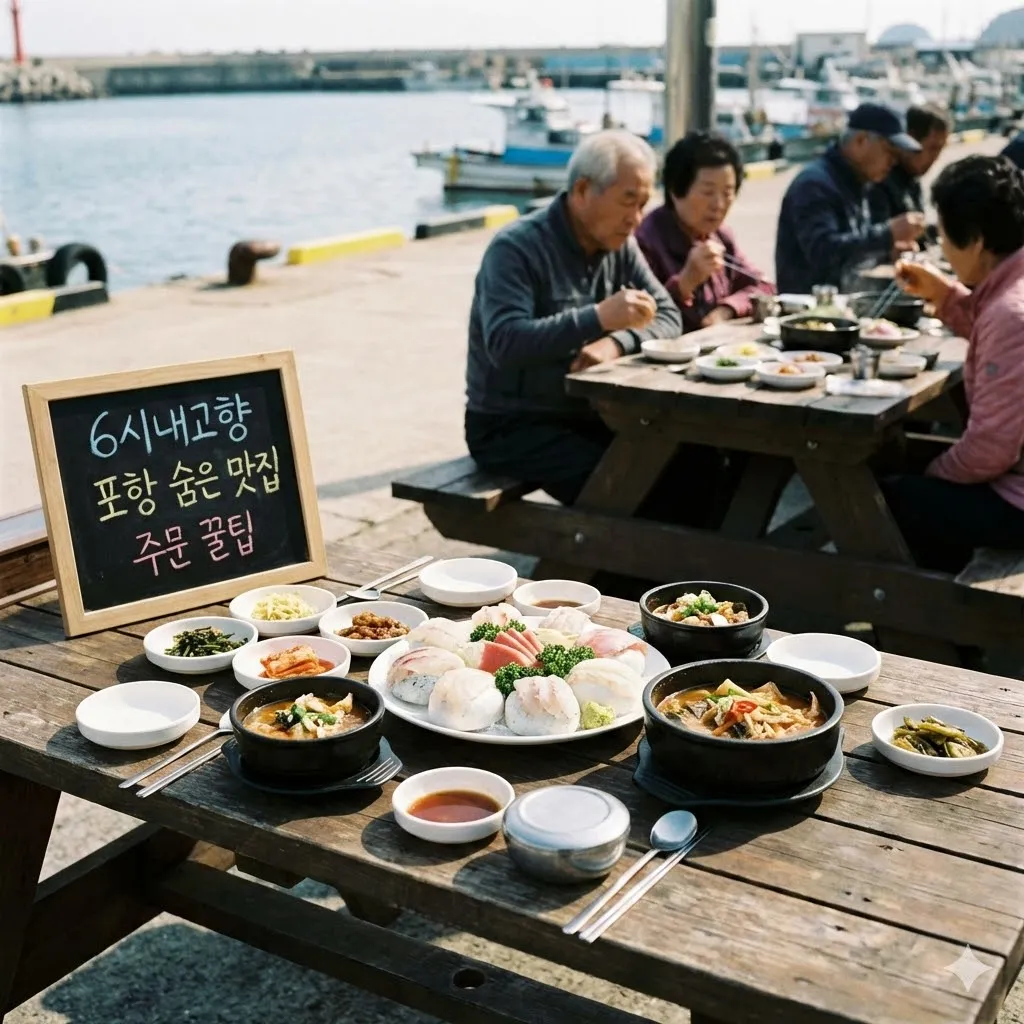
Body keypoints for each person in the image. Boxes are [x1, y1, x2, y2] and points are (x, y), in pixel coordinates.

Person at [464, 130, 683, 506]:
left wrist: (616, 342)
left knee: (691, 460)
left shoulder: (619, 245)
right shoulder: (515, 248)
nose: (636, 218)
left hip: (586, 412)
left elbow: (668, 315)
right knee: (628, 488)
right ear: (582, 191)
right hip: (510, 425)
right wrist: (598, 318)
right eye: (628, 201)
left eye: (644, 204)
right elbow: (504, 342)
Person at [882, 155, 1024, 574]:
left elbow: (989, 450)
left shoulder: (1009, 313)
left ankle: (936, 629)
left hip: (1017, 504)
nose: (941, 248)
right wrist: (945, 295)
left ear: (976, 241)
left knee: (886, 500)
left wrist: (933, 472)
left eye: (943, 236)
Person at [775, 103, 926, 294]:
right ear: (860, 141)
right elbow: (824, 253)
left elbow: (854, 248)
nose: (893, 162)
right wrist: (887, 235)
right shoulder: (815, 185)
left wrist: (889, 251)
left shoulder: (859, 181)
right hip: (811, 311)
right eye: (890, 152)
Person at [635, 131, 774, 332]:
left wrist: (726, 310)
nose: (718, 205)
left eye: (727, 193)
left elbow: (764, 286)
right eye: (707, 192)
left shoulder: (721, 237)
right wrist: (684, 283)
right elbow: (638, 319)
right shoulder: (644, 241)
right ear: (675, 190)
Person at [869, 105, 951, 239]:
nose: (935, 157)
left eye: (940, 149)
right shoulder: (881, 180)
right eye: (933, 148)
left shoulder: (912, 179)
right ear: (911, 139)